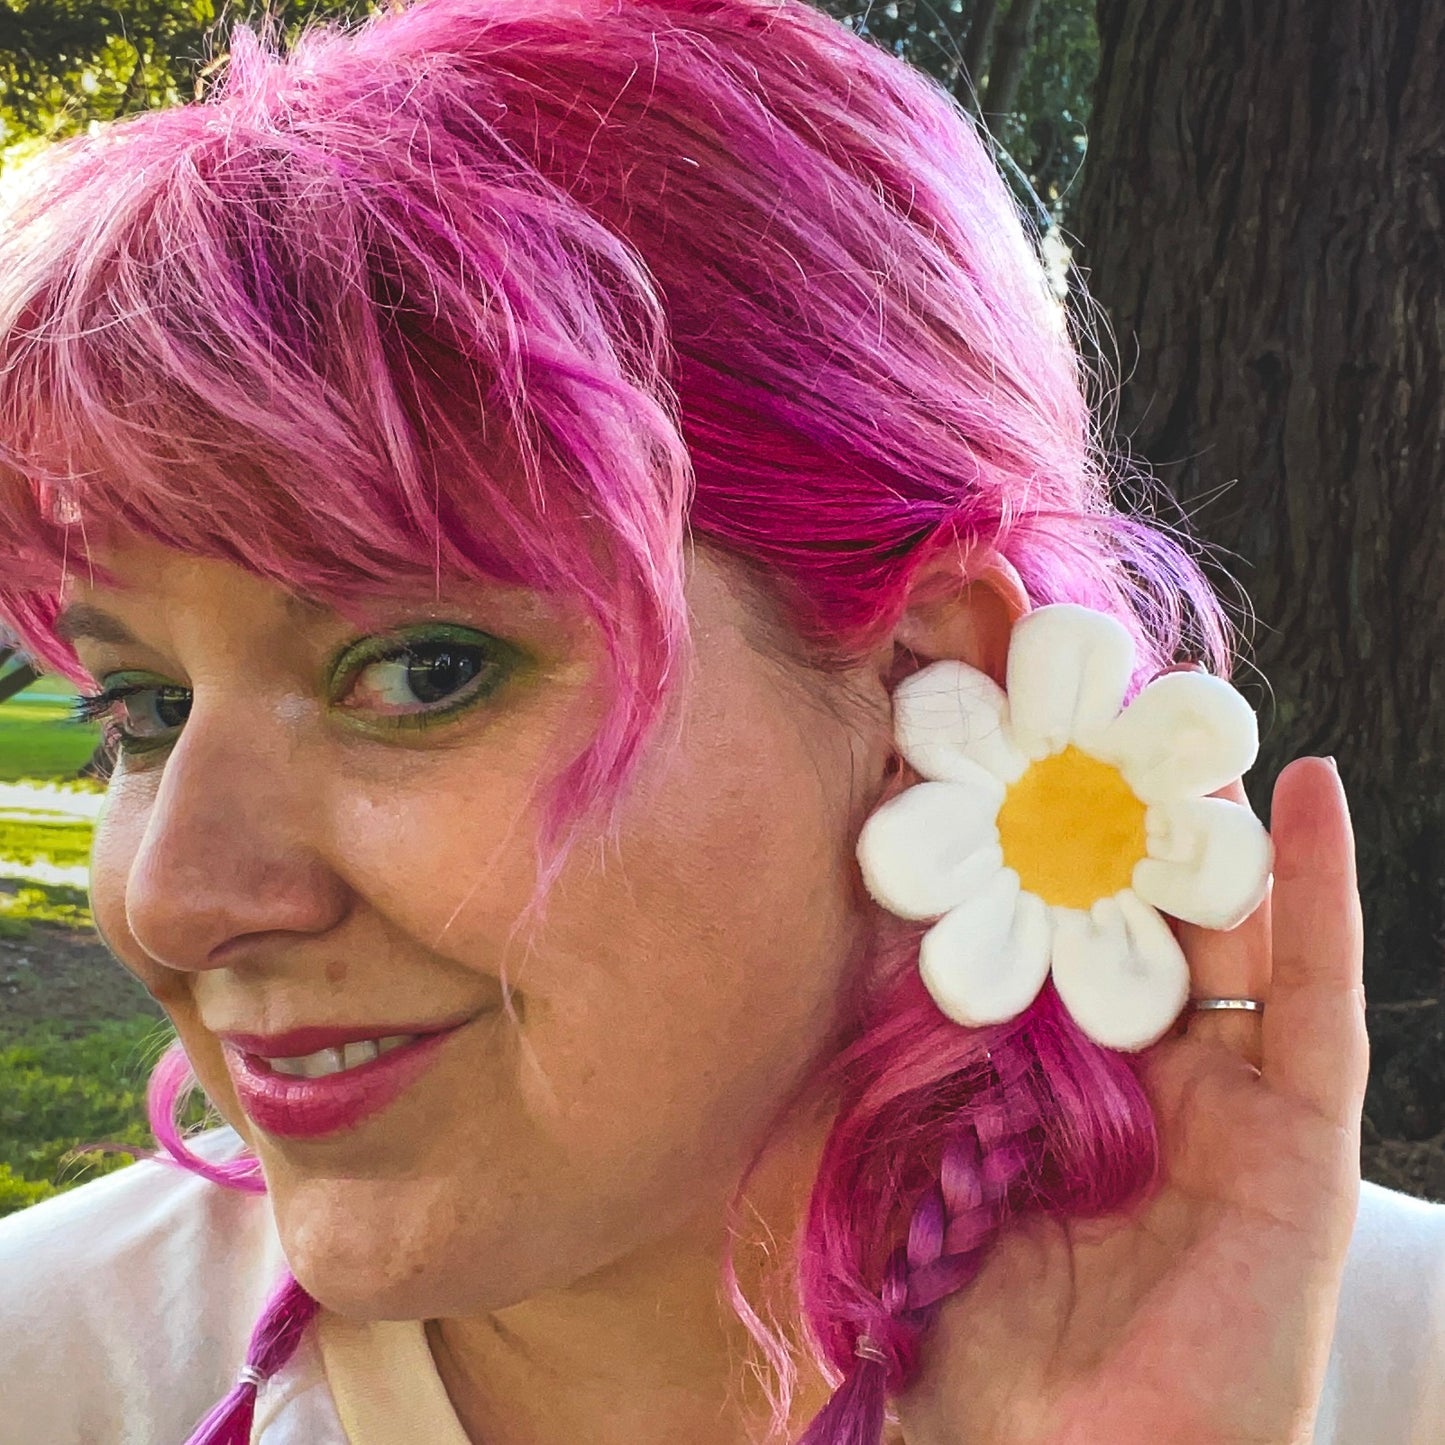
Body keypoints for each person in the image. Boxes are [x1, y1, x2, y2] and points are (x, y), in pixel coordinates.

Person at [0, 1, 1441, 1442]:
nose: (176, 898)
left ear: (929, 699)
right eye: (141, 707)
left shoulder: (1392, 1371)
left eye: (421, 668)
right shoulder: (48, 1369)